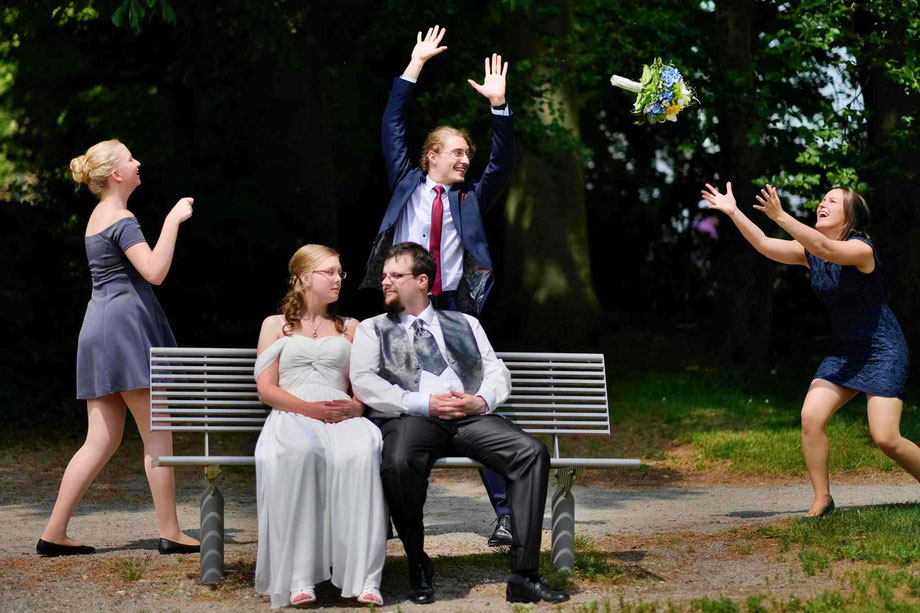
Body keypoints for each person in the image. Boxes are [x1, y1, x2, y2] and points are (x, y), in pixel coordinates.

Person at [360, 24, 517, 547]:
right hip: (398, 306)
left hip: (450, 307)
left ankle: (505, 514)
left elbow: (502, 163)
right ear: (431, 155)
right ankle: (382, 513)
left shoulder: (470, 198)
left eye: (468, 154)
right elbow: (391, 124)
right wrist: (414, 66)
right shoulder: (407, 180)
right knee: (385, 406)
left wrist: (499, 108)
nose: (465, 159)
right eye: (456, 152)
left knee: (475, 401)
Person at [350, 242, 569, 605]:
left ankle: (524, 575)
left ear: (422, 281)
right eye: (384, 275)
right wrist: (425, 403)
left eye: (395, 275)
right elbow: (365, 382)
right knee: (399, 462)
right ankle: (418, 564)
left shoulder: (466, 323)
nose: (385, 281)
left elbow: (497, 370)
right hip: (413, 417)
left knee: (530, 453)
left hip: (469, 417)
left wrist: (480, 400)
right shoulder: (373, 329)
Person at [701, 182, 916, 519]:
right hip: (845, 353)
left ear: (850, 217)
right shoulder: (811, 251)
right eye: (822, 199)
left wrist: (782, 215)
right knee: (811, 417)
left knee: (886, 438)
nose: (822, 204)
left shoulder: (861, 250)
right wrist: (733, 212)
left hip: (883, 350)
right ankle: (822, 500)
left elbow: (825, 249)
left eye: (832, 201)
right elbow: (764, 244)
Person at [37, 139, 199, 557]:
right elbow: (155, 271)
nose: (138, 161)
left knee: (101, 440)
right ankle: (171, 532)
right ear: (115, 174)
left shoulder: (98, 215)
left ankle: (54, 532)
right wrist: (172, 220)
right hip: (125, 330)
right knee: (157, 433)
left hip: (100, 326)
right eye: (130, 157)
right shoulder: (121, 217)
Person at [253, 244, 386, 608]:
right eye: (330, 271)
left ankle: (365, 577)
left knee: (362, 451)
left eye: (340, 272)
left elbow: (364, 385)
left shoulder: (350, 327)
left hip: (340, 413)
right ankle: (299, 576)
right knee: (298, 452)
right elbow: (266, 390)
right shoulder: (274, 326)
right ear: (303, 277)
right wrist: (309, 409)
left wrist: (358, 406)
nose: (338, 278)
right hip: (293, 412)